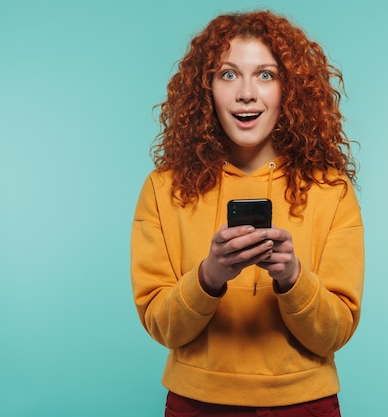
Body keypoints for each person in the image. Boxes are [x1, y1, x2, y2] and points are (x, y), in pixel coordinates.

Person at [130, 10, 364, 417]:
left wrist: (292, 277)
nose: (246, 93)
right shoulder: (163, 188)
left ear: (289, 89)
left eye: (266, 75)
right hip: (196, 403)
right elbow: (160, 324)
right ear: (207, 89)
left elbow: (336, 331)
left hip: (304, 404)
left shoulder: (332, 191)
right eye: (228, 74)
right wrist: (209, 276)